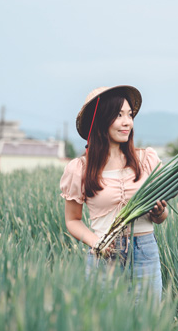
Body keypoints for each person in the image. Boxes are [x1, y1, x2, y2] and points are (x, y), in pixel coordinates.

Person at [59, 85, 169, 300]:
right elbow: (72, 220)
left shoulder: (146, 160)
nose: (127, 122)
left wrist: (159, 212)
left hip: (144, 250)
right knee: (106, 325)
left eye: (129, 115)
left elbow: (162, 218)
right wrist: (95, 242)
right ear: (100, 120)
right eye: (119, 115)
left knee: (147, 325)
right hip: (104, 253)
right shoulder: (80, 168)